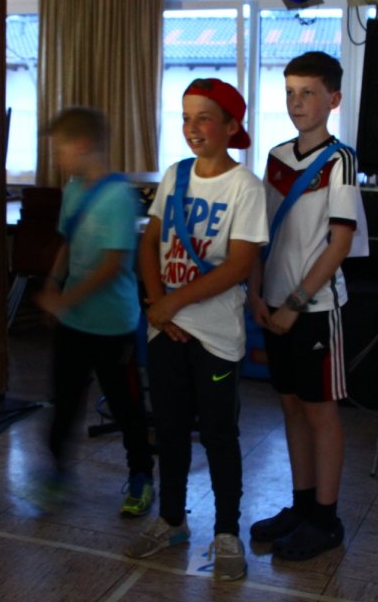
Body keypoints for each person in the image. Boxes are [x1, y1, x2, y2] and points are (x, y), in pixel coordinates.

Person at [123, 78, 267, 582]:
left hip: (215, 336)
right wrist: (156, 305)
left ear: (231, 126)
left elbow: (240, 264)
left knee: (219, 434)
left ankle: (226, 531)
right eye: (186, 118)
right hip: (165, 329)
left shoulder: (245, 187)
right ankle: (171, 520)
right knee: (170, 429)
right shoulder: (175, 175)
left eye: (204, 117)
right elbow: (150, 243)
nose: (192, 128)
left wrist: (172, 303)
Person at [247, 51, 363, 560]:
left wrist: (294, 303)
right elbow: (260, 233)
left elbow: (339, 243)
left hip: (315, 309)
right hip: (273, 305)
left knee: (320, 411)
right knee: (290, 405)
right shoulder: (275, 157)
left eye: (308, 92)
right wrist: (256, 292)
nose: (297, 102)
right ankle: (300, 504)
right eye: (291, 92)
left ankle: (326, 518)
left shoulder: (341, 160)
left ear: (333, 99)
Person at [34, 106, 154, 516]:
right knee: (64, 401)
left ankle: (141, 477)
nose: (57, 159)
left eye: (60, 150)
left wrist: (64, 300)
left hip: (113, 326)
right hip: (74, 323)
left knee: (125, 406)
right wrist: (54, 283)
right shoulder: (73, 189)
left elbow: (112, 265)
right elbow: (68, 243)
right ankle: (57, 474)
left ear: (83, 145)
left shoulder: (119, 197)